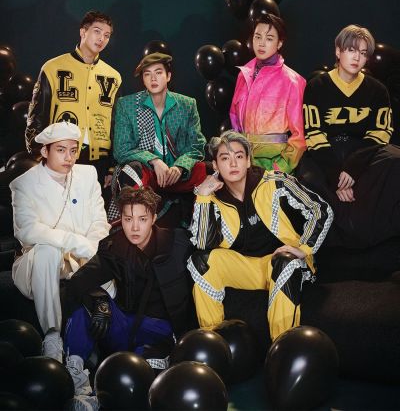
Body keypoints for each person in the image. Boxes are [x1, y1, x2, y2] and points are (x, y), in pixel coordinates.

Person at [187, 130, 333, 341]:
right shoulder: (212, 197)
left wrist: (303, 249)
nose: (233, 164)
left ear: (248, 161)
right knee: (201, 262)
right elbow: (202, 243)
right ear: (216, 166)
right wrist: (202, 196)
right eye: (225, 158)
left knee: (284, 261)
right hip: (246, 268)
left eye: (239, 156)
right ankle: (212, 342)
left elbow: (321, 210)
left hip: (281, 263)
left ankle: (282, 346)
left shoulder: (274, 182)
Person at [62, 185, 194, 397]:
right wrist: (99, 300)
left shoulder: (178, 243)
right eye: (128, 219)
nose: (134, 227)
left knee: (139, 380)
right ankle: (75, 378)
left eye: (142, 219)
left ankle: (99, 398)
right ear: (121, 219)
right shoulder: (115, 246)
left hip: (161, 333)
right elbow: (78, 282)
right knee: (81, 306)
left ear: (153, 218)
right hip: (126, 325)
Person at [10, 122, 110, 363]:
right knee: (47, 250)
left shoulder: (88, 175)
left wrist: (91, 248)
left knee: (112, 260)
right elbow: (27, 230)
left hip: (81, 260)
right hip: (37, 265)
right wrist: (73, 241)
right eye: (61, 150)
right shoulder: (24, 184)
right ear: (45, 151)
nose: (69, 158)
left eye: (73, 150)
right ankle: (52, 335)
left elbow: (99, 221)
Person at [297, 24, 400, 247]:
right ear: (338, 51)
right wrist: (337, 177)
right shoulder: (316, 86)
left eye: (363, 53)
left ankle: (374, 233)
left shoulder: (377, 90)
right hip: (326, 150)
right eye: (351, 50)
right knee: (307, 178)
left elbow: (380, 133)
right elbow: (314, 134)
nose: (357, 58)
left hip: (364, 151)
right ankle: (333, 239)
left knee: (395, 159)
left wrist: (353, 167)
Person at [25, 10, 122, 190]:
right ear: (83, 32)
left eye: (107, 35)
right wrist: (39, 155)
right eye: (97, 31)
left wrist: (112, 166)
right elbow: (37, 116)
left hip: (99, 161)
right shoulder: (52, 68)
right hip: (61, 156)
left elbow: (116, 125)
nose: (101, 38)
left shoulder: (114, 77)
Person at [110, 52, 208, 222]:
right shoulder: (127, 105)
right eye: (147, 74)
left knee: (204, 169)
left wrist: (180, 166)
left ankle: (198, 224)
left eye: (158, 72)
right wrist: (154, 161)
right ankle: (134, 223)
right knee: (131, 170)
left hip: (178, 174)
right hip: (148, 173)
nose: (153, 78)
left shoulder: (187, 104)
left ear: (168, 76)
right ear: (143, 79)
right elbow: (121, 149)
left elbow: (197, 145)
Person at [230, 13, 306, 173]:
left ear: (280, 43)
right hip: (244, 162)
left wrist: (281, 167)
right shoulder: (243, 75)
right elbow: (234, 117)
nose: (261, 43)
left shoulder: (292, 81)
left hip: (274, 164)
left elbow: (299, 135)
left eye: (269, 38)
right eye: (258, 37)